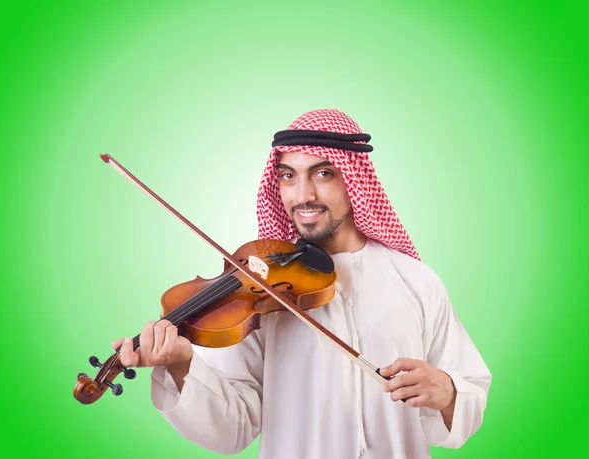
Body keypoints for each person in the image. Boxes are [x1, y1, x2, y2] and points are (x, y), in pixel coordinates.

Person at [113, 109, 492, 458]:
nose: (303, 195)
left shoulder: (417, 282)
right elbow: (232, 429)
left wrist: (448, 393)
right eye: (288, 176)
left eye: (323, 173)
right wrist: (182, 366)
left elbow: (469, 389)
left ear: (355, 180)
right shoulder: (258, 294)